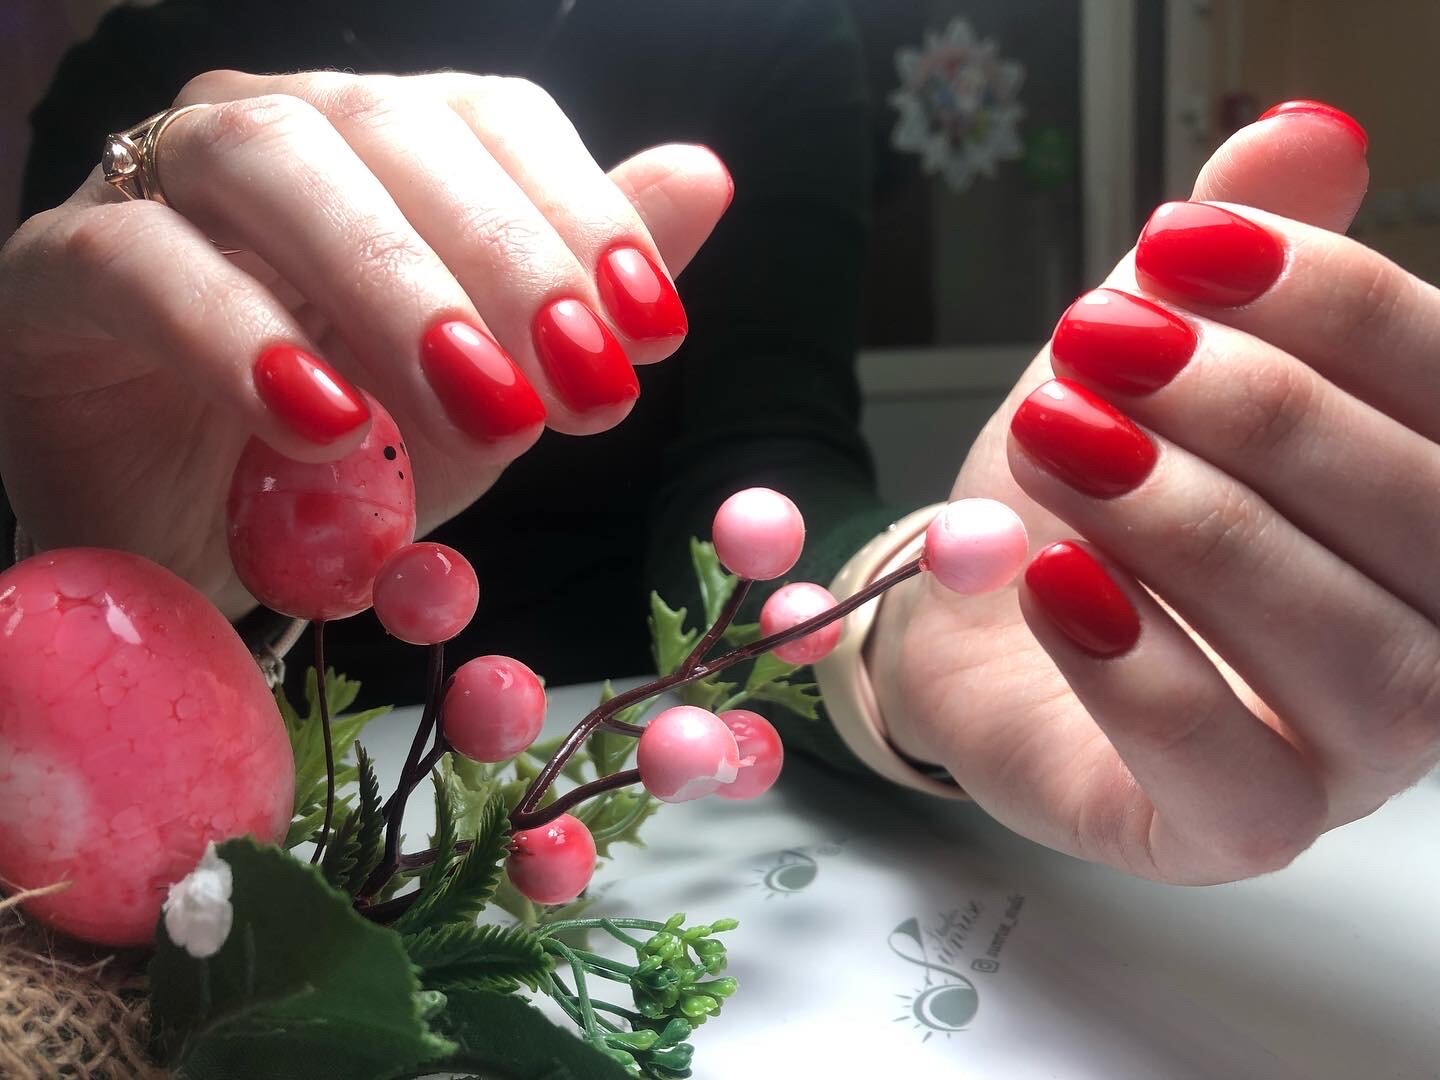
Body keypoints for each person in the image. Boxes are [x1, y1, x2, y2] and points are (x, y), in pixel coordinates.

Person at [2, 0, 1436, 889]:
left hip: (641, 817)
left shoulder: (761, 32)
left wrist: (890, 629)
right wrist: (104, 586)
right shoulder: (145, 81)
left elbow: (763, 448)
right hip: (215, 839)